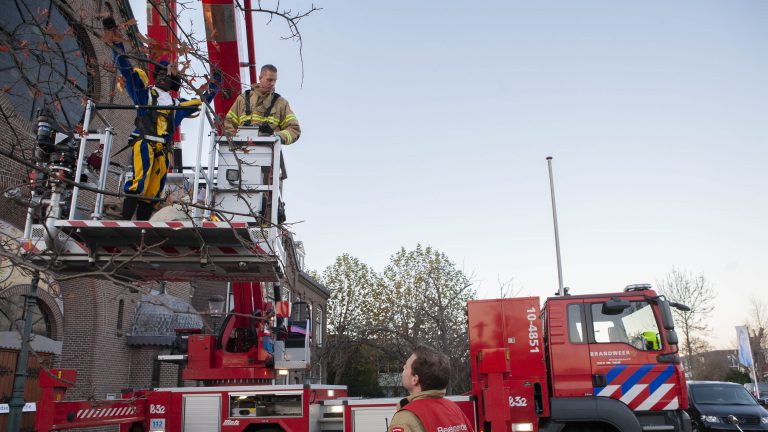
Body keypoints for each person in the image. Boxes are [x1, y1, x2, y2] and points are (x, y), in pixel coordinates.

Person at [102, 17, 220, 220]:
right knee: (140, 181)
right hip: (145, 143)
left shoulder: (177, 105)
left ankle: (142, 227)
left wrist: (216, 79)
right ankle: (125, 222)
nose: (163, 78)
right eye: (160, 74)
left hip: (163, 150)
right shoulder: (144, 94)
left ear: (173, 80)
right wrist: (113, 37)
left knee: (154, 190)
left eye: (168, 75)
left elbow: (202, 100)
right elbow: (125, 68)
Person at [387, 345, 475, 432]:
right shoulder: (454, 409)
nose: (403, 367)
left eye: (406, 366)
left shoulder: (405, 418)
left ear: (415, 379)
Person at [223, 64, 300, 145]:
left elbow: (294, 129)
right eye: (269, 80)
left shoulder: (281, 103)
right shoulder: (243, 99)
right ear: (260, 78)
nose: (273, 83)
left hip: (268, 151)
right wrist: (236, 140)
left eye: (275, 80)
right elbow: (229, 123)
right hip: (242, 151)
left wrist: (278, 137)